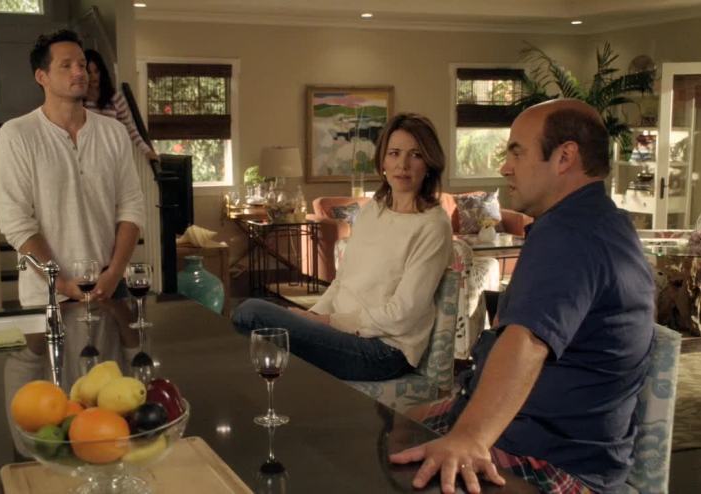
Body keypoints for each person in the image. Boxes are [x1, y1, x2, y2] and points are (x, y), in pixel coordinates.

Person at [390, 99, 655, 494]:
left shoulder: (571, 234)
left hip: (554, 459)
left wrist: (468, 439)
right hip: (537, 430)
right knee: (403, 423)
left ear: (564, 157)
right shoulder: (600, 221)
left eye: (517, 152)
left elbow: (528, 342)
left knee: (397, 470)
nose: (505, 167)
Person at [232, 113, 452, 381]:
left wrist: (327, 322)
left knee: (252, 313)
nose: (402, 165)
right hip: (341, 333)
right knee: (258, 315)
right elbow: (342, 283)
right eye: (394, 153)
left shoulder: (433, 225)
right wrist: (312, 316)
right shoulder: (373, 210)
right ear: (383, 161)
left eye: (415, 155)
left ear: (429, 163)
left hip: (383, 350)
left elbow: (404, 314)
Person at [0, 30, 145, 307]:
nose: (79, 72)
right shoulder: (16, 135)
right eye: (66, 65)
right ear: (42, 77)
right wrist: (62, 284)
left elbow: (131, 206)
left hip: (110, 288)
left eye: (82, 64)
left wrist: (113, 274)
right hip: (48, 296)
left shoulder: (113, 132)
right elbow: (15, 221)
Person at [83, 49, 159, 161]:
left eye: (96, 71)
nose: (94, 76)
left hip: (111, 153)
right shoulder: (78, 99)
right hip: (87, 154)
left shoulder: (115, 98)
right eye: (89, 72)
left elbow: (129, 128)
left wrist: (147, 151)